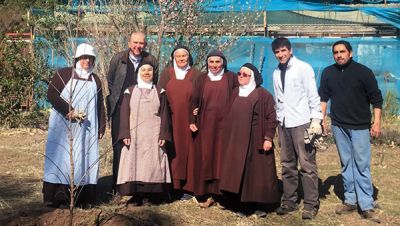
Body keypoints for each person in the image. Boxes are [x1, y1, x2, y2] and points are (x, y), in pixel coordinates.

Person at [319, 40, 383, 223]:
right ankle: (350, 200)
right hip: (338, 125)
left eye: (342, 51)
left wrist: (376, 122)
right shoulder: (328, 73)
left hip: (360, 126)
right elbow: (323, 97)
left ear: (350, 53)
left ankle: (367, 204)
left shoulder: (364, 72)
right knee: (346, 163)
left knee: (361, 165)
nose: (339, 55)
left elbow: (376, 99)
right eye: (336, 52)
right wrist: (322, 119)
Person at [43, 43, 106, 208]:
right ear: (77, 58)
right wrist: (68, 110)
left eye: (90, 58)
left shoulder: (95, 79)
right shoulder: (64, 74)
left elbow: (100, 104)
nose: (87, 61)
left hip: (87, 128)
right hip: (65, 127)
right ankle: (59, 197)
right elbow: (51, 94)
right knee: (63, 158)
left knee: (85, 158)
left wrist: (101, 126)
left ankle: (84, 198)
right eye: (84, 57)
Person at [271, 37, 322, 219]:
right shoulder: (276, 72)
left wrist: (316, 119)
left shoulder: (303, 68)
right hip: (284, 122)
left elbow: (312, 95)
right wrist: (278, 121)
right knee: (287, 164)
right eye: (277, 52)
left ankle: (310, 204)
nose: (280, 55)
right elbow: (279, 99)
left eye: (283, 51)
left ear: (290, 50)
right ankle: (290, 201)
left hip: (301, 121)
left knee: (307, 164)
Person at [220, 63, 280, 217]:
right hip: (236, 139)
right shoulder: (235, 92)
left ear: (252, 77)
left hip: (255, 139)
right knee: (237, 171)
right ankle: (239, 202)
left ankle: (259, 204)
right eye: (239, 73)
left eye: (245, 74)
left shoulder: (263, 95)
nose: (240, 76)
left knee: (256, 173)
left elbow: (271, 118)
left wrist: (268, 138)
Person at [107, 31, 159, 191]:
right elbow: (110, 81)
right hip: (120, 108)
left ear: (145, 45)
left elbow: (153, 82)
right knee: (119, 146)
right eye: (135, 42)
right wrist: (120, 100)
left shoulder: (150, 60)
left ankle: (138, 185)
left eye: (141, 43)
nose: (138, 46)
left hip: (142, 112)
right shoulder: (118, 59)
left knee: (141, 146)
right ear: (129, 43)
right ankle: (118, 185)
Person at [116, 61, 171, 206]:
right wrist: (125, 133)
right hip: (134, 135)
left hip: (154, 134)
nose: (147, 73)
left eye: (150, 70)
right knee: (135, 164)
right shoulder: (130, 91)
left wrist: (163, 135)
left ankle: (150, 196)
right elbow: (124, 114)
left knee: (152, 164)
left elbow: (165, 115)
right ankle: (136, 196)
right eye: (144, 70)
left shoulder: (160, 91)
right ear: (138, 72)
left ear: (154, 73)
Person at [189, 50, 238, 208]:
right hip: (206, 126)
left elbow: (239, 97)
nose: (215, 65)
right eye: (211, 62)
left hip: (226, 127)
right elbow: (194, 101)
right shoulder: (201, 79)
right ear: (207, 63)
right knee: (207, 158)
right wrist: (192, 119)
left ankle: (223, 195)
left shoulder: (231, 78)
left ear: (223, 62)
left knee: (223, 159)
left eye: (217, 62)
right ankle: (208, 193)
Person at [158, 45, 201, 197]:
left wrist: (197, 111)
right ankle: (170, 187)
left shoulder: (196, 74)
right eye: (178, 56)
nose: (182, 58)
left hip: (188, 122)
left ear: (189, 57)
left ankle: (187, 187)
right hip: (170, 120)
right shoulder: (166, 74)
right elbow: (159, 96)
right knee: (171, 152)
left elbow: (202, 96)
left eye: (184, 56)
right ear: (173, 58)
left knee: (188, 152)